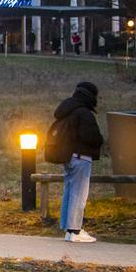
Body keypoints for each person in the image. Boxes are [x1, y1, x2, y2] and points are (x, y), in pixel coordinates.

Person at [54, 82, 104, 243]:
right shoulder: (84, 114)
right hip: (82, 157)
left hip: (68, 156)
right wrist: (100, 140)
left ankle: (68, 229)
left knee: (69, 192)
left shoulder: (67, 111)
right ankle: (74, 231)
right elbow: (92, 137)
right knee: (79, 195)